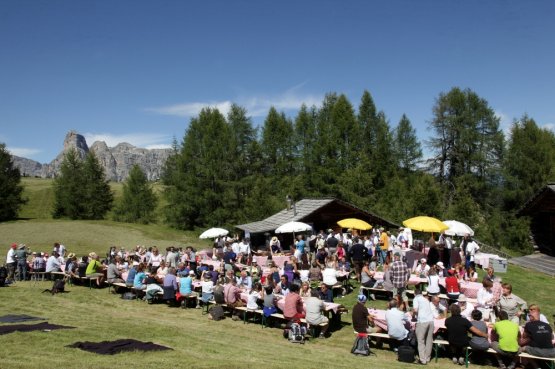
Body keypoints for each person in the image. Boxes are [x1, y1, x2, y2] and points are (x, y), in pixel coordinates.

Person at [413, 287, 434, 365]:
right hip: (431, 321)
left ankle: (422, 360)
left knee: (420, 341)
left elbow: (415, 310)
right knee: (429, 340)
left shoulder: (416, 299)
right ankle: (427, 358)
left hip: (423, 321)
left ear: (415, 294)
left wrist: (413, 315)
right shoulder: (426, 299)